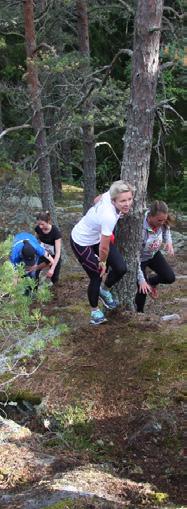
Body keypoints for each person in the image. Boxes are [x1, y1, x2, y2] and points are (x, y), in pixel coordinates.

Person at [70, 180, 134, 325]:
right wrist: (102, 262)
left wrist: (96, 215)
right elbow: (104, 249)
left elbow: (96, 199)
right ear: (113, 200)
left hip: (96, 237)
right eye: (122, 201)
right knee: (97, 274)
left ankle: (104, 291)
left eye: (129, 199)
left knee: (121, 268)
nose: (127, 204)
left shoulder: (109, 195)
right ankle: (94, 312)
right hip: (81, 241)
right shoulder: (109, 216)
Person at [135, 200, 175, 313]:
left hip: (154, 254)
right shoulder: (140, 228)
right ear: (150, 216)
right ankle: (139, 313)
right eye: (159, 220)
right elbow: (135, 256)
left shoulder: (162, 222)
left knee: (170, 277)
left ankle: (151, 282)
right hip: (140, 259)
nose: (162, 222)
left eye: (164, 220)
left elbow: (167, 229)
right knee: (142, 289)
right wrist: (142, 280)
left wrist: (169, 242)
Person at [35, 211, 62, 286]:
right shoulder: (38, 229)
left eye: (42, 224)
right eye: (39, 224)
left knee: (54, 277)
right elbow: (36, 240)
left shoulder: (55, 232)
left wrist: (52, 269)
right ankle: (34, 291)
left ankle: (55, 293)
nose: (40, 226)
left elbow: (58, 253)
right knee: (35, 272)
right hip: (44, 254)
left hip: (54, 256)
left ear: (48, 221)